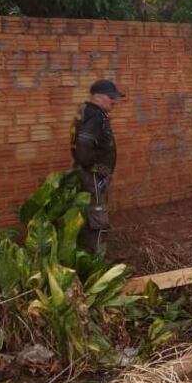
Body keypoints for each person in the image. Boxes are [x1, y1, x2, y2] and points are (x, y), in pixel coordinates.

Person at [71, 79, 124, 253]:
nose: (114, 101)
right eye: (111, 97)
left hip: (89, 174)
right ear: (99, 97)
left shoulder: (87, 112)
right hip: (92, 175)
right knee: (98, 217)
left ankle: (86, 254)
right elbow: (84, 145)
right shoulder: (95, 116)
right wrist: (98, 170)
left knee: (88, 214)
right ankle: (96, 260)